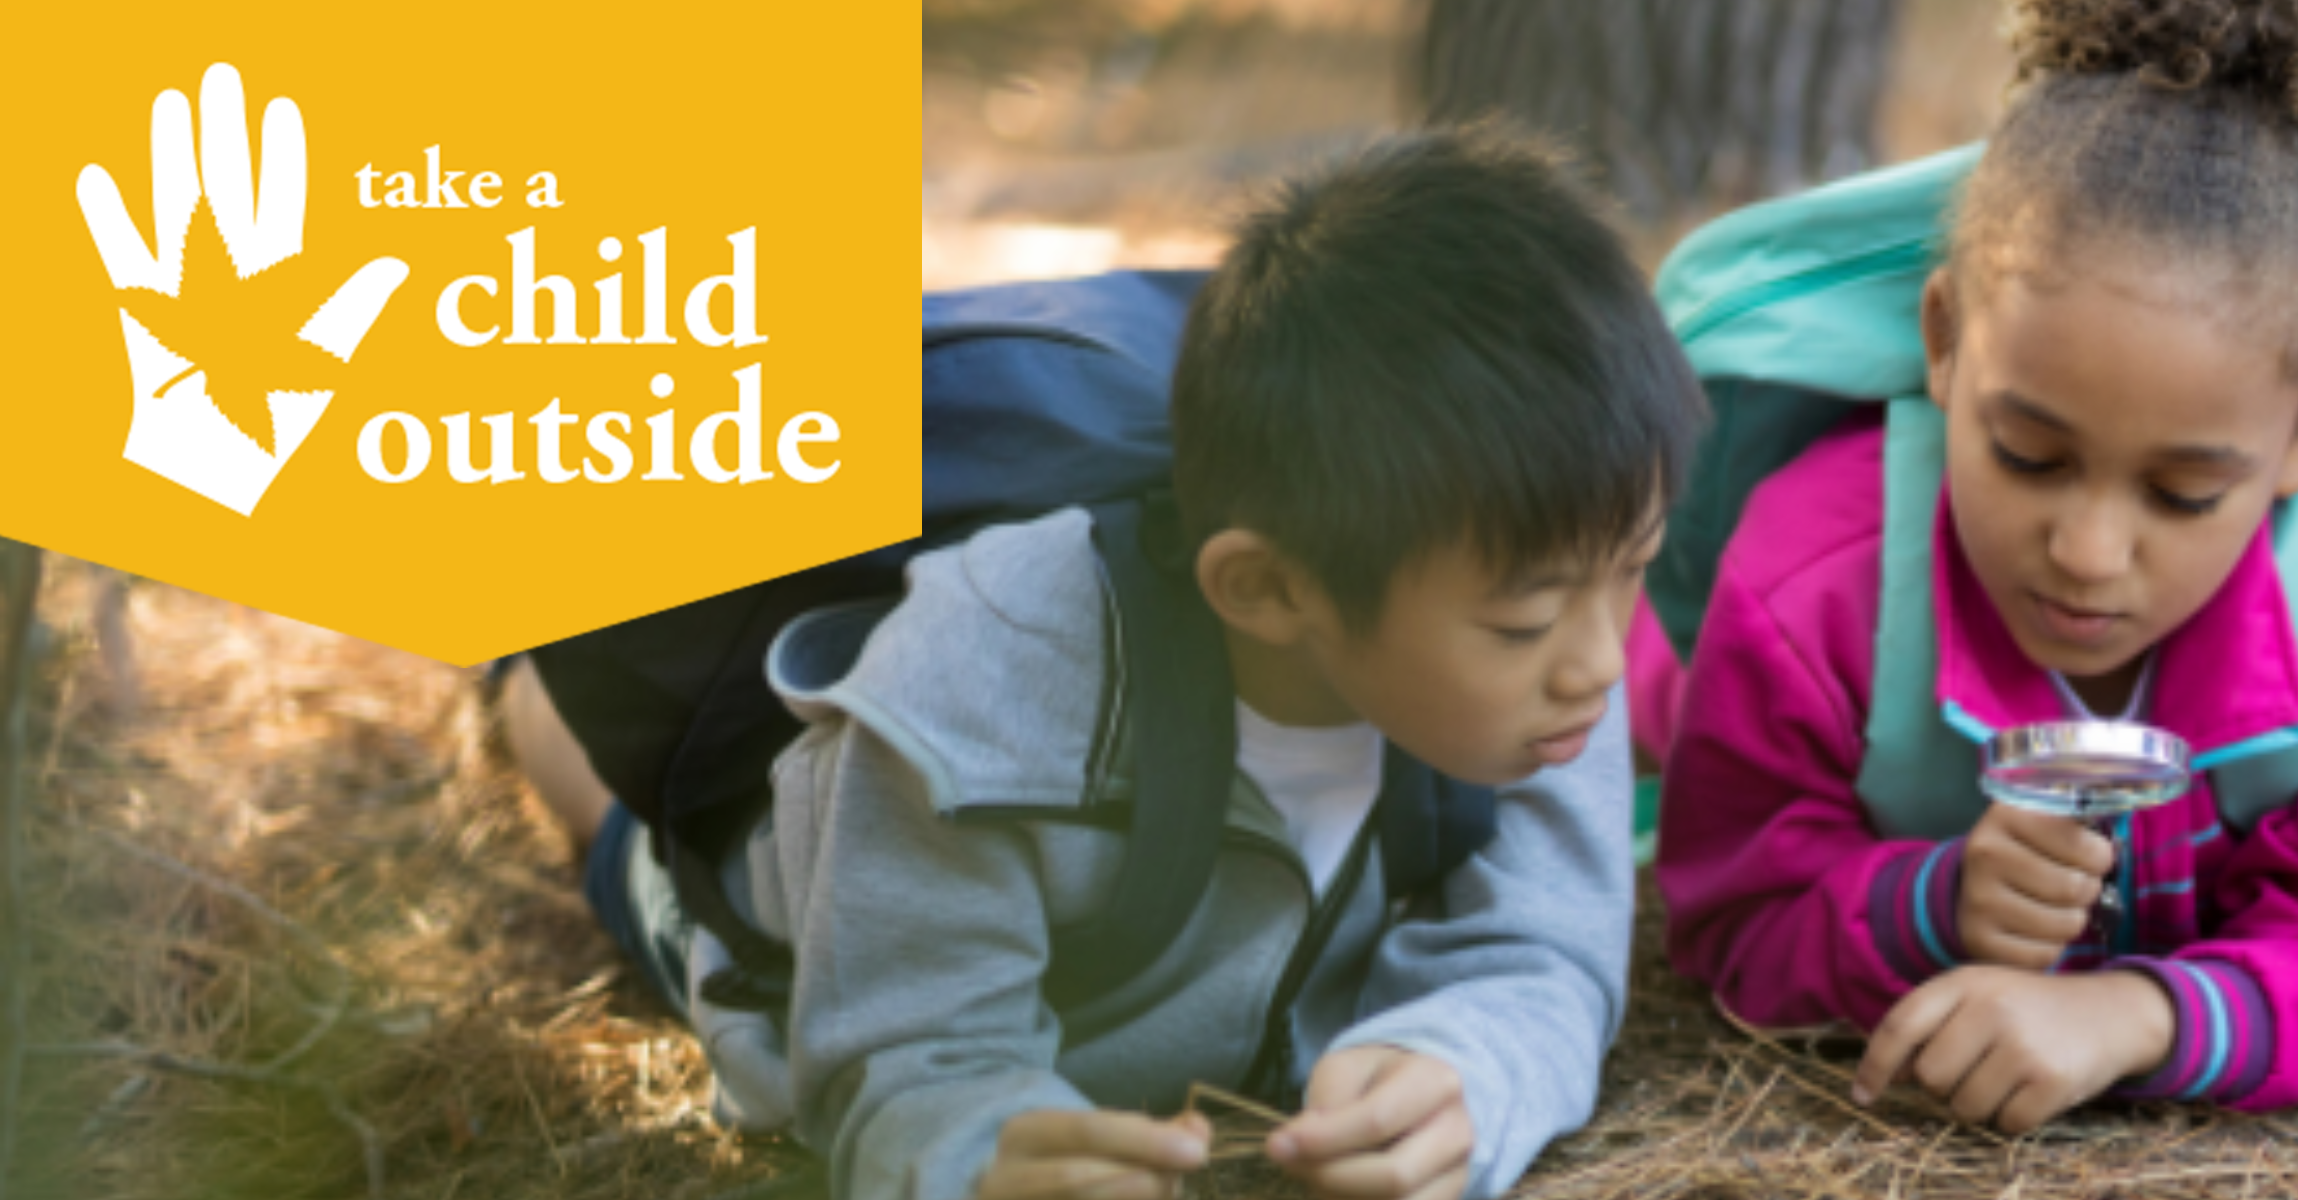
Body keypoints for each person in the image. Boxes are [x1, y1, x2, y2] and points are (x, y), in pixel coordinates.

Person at [499, 126, 1698, 1200]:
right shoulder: (981, 693)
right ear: (1269, 590)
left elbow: (1540, 956)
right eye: (1523, 624)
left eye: (1633, 568)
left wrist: (1466, 1069)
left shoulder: (1540, 658)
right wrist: (976, 1149)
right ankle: (514, 676)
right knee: (635, 846)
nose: (1600, 663)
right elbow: (901, 1052)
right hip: (823, 906)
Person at [1651, 0, 2298, 1134]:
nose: (2087, 553)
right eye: (2029, 454)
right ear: (1946, 341)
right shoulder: (1807, 589)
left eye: (2181, 493)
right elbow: (1731, 912)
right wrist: (1932, 901)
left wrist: (2131, 1018)